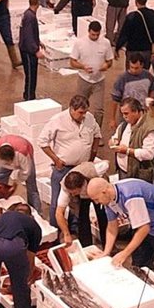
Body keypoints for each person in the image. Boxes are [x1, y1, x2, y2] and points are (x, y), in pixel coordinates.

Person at [88, 176, 154, 288]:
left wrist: (125, 253)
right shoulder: (109, 198)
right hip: (141, 222)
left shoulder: (130, 196)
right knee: (139, 263)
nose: (97, 203)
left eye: (96, 199)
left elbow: (144, 228)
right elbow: (112, 227)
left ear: (104, 192)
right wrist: (106, 252)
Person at [37, 94, 101, 226]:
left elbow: (97, 135)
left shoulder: (89, 118)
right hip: (64, 168)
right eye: (80, 112)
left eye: (85, 112)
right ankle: (57, 229)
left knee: (80, 202)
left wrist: (92, 156)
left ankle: (76, 227)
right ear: (72, 109)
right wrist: (56, 160)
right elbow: (42, 141)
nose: (83, 115)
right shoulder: (57, 120)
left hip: (83, 168)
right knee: (58, 202)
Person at [69, 21, 114, 128]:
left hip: (99, 80)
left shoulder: (105, 43)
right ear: (88, 31)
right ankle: (77, 128)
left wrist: (105, 66)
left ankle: (96, 133)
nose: (95, 37)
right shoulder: (80, 43)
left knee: (99, 109)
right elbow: (72, 61)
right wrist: (83, 67)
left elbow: (110, 61)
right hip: (84, 79)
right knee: (78, 106)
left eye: (97, 35)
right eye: (93, 34)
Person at [54, 166, 107, 249]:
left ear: (82, 186)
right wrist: (66, 234)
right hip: (81, 200)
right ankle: (87, 247)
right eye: (70, 193)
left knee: (103, 216)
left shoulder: (94, 172)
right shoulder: (65, 187)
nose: (72, 195)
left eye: (74, 192)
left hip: (97, 190)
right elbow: (59, 213)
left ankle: (108, 246)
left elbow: (106, 164)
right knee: (82, 220)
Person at [109, 98, 154, 182]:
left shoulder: (149, 129)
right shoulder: (124, 125)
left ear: (136, 111)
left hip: (138, 176)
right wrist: (113, 142)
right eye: (122, 113)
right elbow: (115, 137)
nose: (124, 116)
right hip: (122, 172)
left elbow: (149, 154)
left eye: (126, 113)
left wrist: (127, 151)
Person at [0, 135, 41, 213]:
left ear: (13, 156)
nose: (9, 165)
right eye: (6, 163)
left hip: (24, 157)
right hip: (4, 163)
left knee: (31, 186)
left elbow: (26, 172)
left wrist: (16, 181)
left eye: (10, 162)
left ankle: (36, 212)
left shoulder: (23, 152)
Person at [116, 0, 154, 68]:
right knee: (144, 74)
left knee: (131, 75)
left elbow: (124, 35)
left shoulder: (131, 16)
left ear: (136, 1)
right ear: (146, 0)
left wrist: (117, 47)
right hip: (147, 51)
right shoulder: (153, 14)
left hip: (132, 51)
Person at [110, 55, 154, 128]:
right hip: (126, 115)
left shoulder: (148, 76)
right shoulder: (122, 78)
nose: (134, 70)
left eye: (136, 68)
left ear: (142, 65)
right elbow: (115, 100)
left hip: (143, 114)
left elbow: (152, 90)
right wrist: (112, 119)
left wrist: (150, 101)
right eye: (131, 67)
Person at [18, 0, 43, 101]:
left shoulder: (28, 14)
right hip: (28, 52)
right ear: (38, 4)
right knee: (31, 76)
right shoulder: (30, 17)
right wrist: (36, 50)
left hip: (28, 49)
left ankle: (29, 95)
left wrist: (39, 42)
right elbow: (28, 35)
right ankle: (29, 98)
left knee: (32, 75)